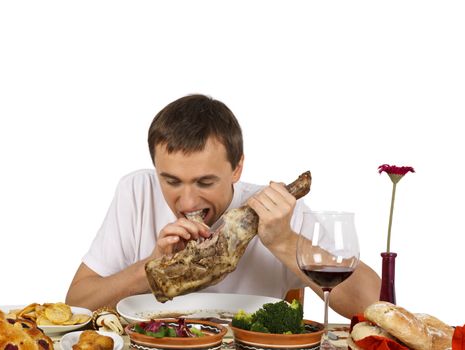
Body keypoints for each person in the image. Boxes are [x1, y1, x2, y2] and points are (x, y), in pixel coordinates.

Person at [65, 94, 381, 318]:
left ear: (236, 168)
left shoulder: (279, 209)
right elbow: (76, 303)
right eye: (172, 181)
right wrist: (150, 269)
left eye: (205, 182)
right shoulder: (137, 192)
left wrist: (284, 241)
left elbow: (375, 303)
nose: (187, 202)